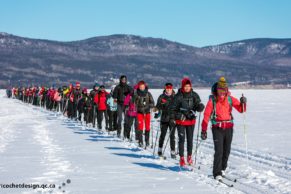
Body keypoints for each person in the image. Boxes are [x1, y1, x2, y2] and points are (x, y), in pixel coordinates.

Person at [201, 77, 247, 181]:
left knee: (227, 151)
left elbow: (241, 109)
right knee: (219, 151)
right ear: (216, 90)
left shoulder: (230, 99)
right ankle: (216, 172)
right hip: (217, 128)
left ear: (227, 90)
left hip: (229, 128)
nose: (222, 92)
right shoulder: (212, 100)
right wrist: (203, 130)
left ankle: (222, 169)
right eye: (220, 89)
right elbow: (206, 115)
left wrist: (243, 102)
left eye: (224, 89)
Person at [170, 78, 204, 167]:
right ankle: (181, 158)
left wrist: (200, 107)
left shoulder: (194, 95)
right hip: (181, 121)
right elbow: (172, 110)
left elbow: (197, 105)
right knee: (181, 139)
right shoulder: (178, 96)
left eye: (189, 86)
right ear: (182, 86)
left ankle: (189, 156)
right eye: (185, 86)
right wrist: (178, 116)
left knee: (190, 139)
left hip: (191, 121)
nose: (187, 88)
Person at [155, 83, 176, 159]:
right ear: (165, 88)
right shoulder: (161, 96)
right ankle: (160, 150)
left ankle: (173, 152)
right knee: (162, 135)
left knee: (172, 136)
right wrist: (157, 111)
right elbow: (157, 106)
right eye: (167, 88)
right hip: (164, 118)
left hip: (172, 119)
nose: (169, 90)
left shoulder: (175, 97)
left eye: (170, 88)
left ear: (172, 89)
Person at [133, 80, 155, 147]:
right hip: (139, 112)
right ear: (139, 87)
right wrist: (135, 106)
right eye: (140, 87)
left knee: (147, 127)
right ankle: (140, 141)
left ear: (145, 86)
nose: (142, 88)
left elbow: (152, 102)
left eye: (143, 86)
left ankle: (147, 141)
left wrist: (150, 106)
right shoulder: (136, 94)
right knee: (140, 127)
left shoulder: (148, 93)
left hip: (147, 112)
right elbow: (134, 103)